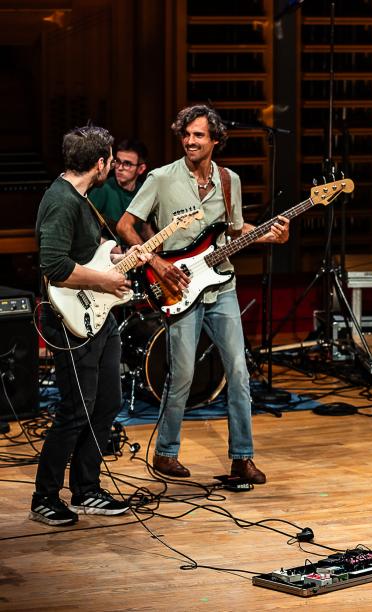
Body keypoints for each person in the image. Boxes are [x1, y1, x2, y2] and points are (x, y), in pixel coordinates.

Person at [116, 105, 288, 484]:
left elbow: (233, 229)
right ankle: (165, 453)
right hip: (178, 285)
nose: (190, 141)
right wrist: (157, 263)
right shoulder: (161, 178)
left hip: (222, 285)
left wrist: (267, 232)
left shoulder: (230, 181)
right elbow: (126, 225)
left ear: (215, 140)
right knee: (182, 375)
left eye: (198, 135)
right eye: (186, 134)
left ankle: (242, 458)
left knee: (239, 374)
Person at [31, 125, 150, 526]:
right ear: (100, 164)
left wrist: (115, 256)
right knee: (74, 410)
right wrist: (106, 280)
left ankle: (86, 489)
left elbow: (84, 254)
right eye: (110, 160)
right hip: (69, 319)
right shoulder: (61, 201)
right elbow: (54, 266)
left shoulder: (82, 199)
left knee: (107, 402)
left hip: (100, 314)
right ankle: (44, 496)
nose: (112, 167)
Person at [89, 139, 152, 240]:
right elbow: (84, 226)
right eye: (117, 161)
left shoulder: (143, 191)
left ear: (141, 169)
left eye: (127, 164)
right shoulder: (103, 188)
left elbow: (146, 229)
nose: (120, 168)